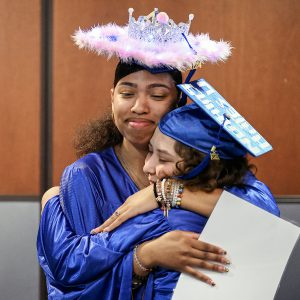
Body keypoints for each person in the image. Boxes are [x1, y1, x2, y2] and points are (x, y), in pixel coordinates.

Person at [37, 8, 279, 300]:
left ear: (178, 100)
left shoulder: (204, 164)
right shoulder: (86, 175)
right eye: (127, 93)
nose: (140, 106)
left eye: (157, 94)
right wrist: (145, 257)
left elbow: (266, 216)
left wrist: (166, 193)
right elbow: (75, 278)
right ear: (111, 96)